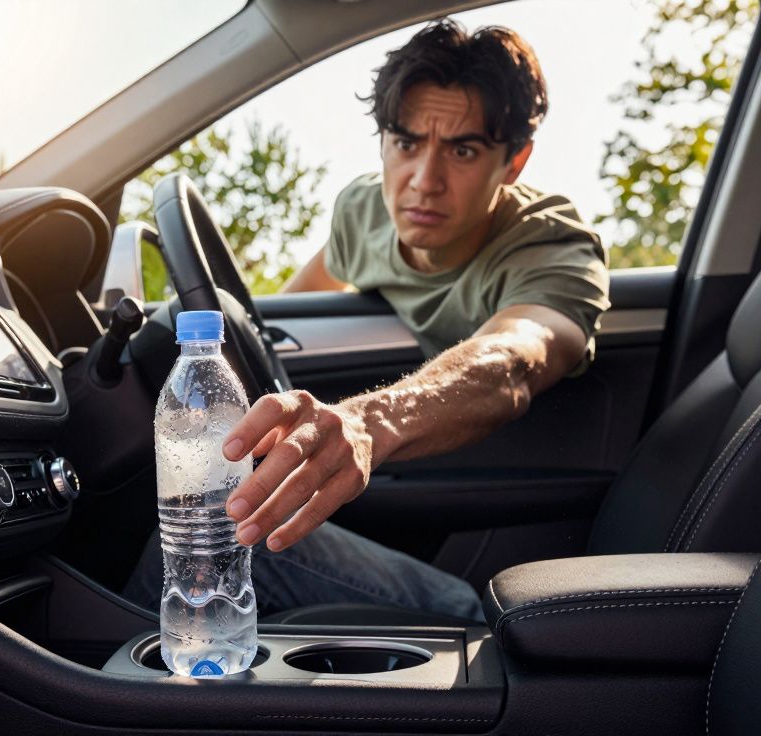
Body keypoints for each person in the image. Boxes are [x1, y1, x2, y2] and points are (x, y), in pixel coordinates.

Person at [125, 19, 608, 621]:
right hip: (429, 497)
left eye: (463, 151)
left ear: (513, 162)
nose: (423, 182)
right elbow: (272, 327)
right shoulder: (363, 210)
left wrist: (364, 422)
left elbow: (514, 359)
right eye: (406, 144)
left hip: (510, 551)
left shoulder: (553, 245)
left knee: (214, 542)